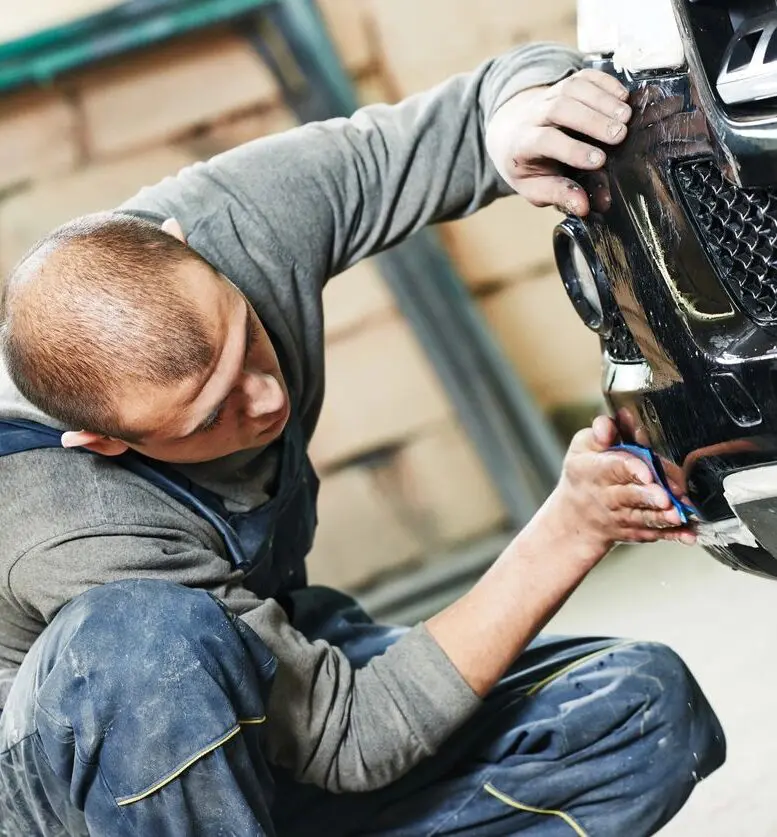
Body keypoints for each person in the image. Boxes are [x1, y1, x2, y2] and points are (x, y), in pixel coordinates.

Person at [0, 41, 724, 836]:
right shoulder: (61, 526)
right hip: (94, 792)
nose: (267, 396)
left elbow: (471, 114)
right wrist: (572, 526)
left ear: (185, 244)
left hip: (265, 683)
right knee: (146, 644)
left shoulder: (226, 226)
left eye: (246, 340)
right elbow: (353, 737)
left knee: (637, 712)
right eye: (208, 416)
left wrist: (525, 113)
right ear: (99, 443)